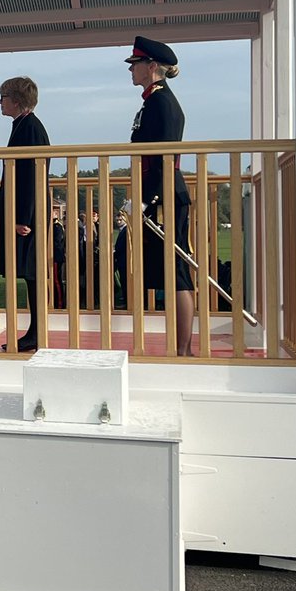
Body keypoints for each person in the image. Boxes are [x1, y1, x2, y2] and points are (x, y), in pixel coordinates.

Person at [126, 35, 194, 355]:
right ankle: (179, 347)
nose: (131, 70)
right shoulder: (152, 101)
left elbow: (164, 159)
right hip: (158, 195)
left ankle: (182, 350)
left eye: (136, 64)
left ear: (152, 67)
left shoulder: (163, 103)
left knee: (177, 270)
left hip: (165, 197)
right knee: (168, 270)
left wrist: (148, 200)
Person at [0, 76, 50, 352]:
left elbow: (30, 176)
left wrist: (23, 218)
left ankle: (36, 334)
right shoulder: (23, 125)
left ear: (16, 100)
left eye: (3, 98)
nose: (0, 103)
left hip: (28, 217)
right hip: (25, 214)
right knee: (29, 275)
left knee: (33, 274)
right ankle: (34, 332)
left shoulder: (29, 128)